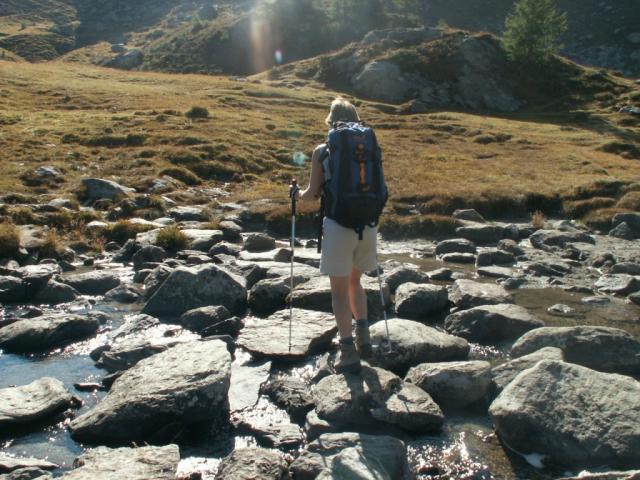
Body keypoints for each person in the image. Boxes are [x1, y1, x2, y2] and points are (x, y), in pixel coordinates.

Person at [293, 97, 378, 373]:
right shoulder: (368, 147)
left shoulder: (323, 150)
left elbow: (312, 194)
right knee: (356, 282)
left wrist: (296, 194)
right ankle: (365, 340)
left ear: (331, 120)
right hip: (368, 225)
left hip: (338, 225)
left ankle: (348, 351)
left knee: (339, 292)